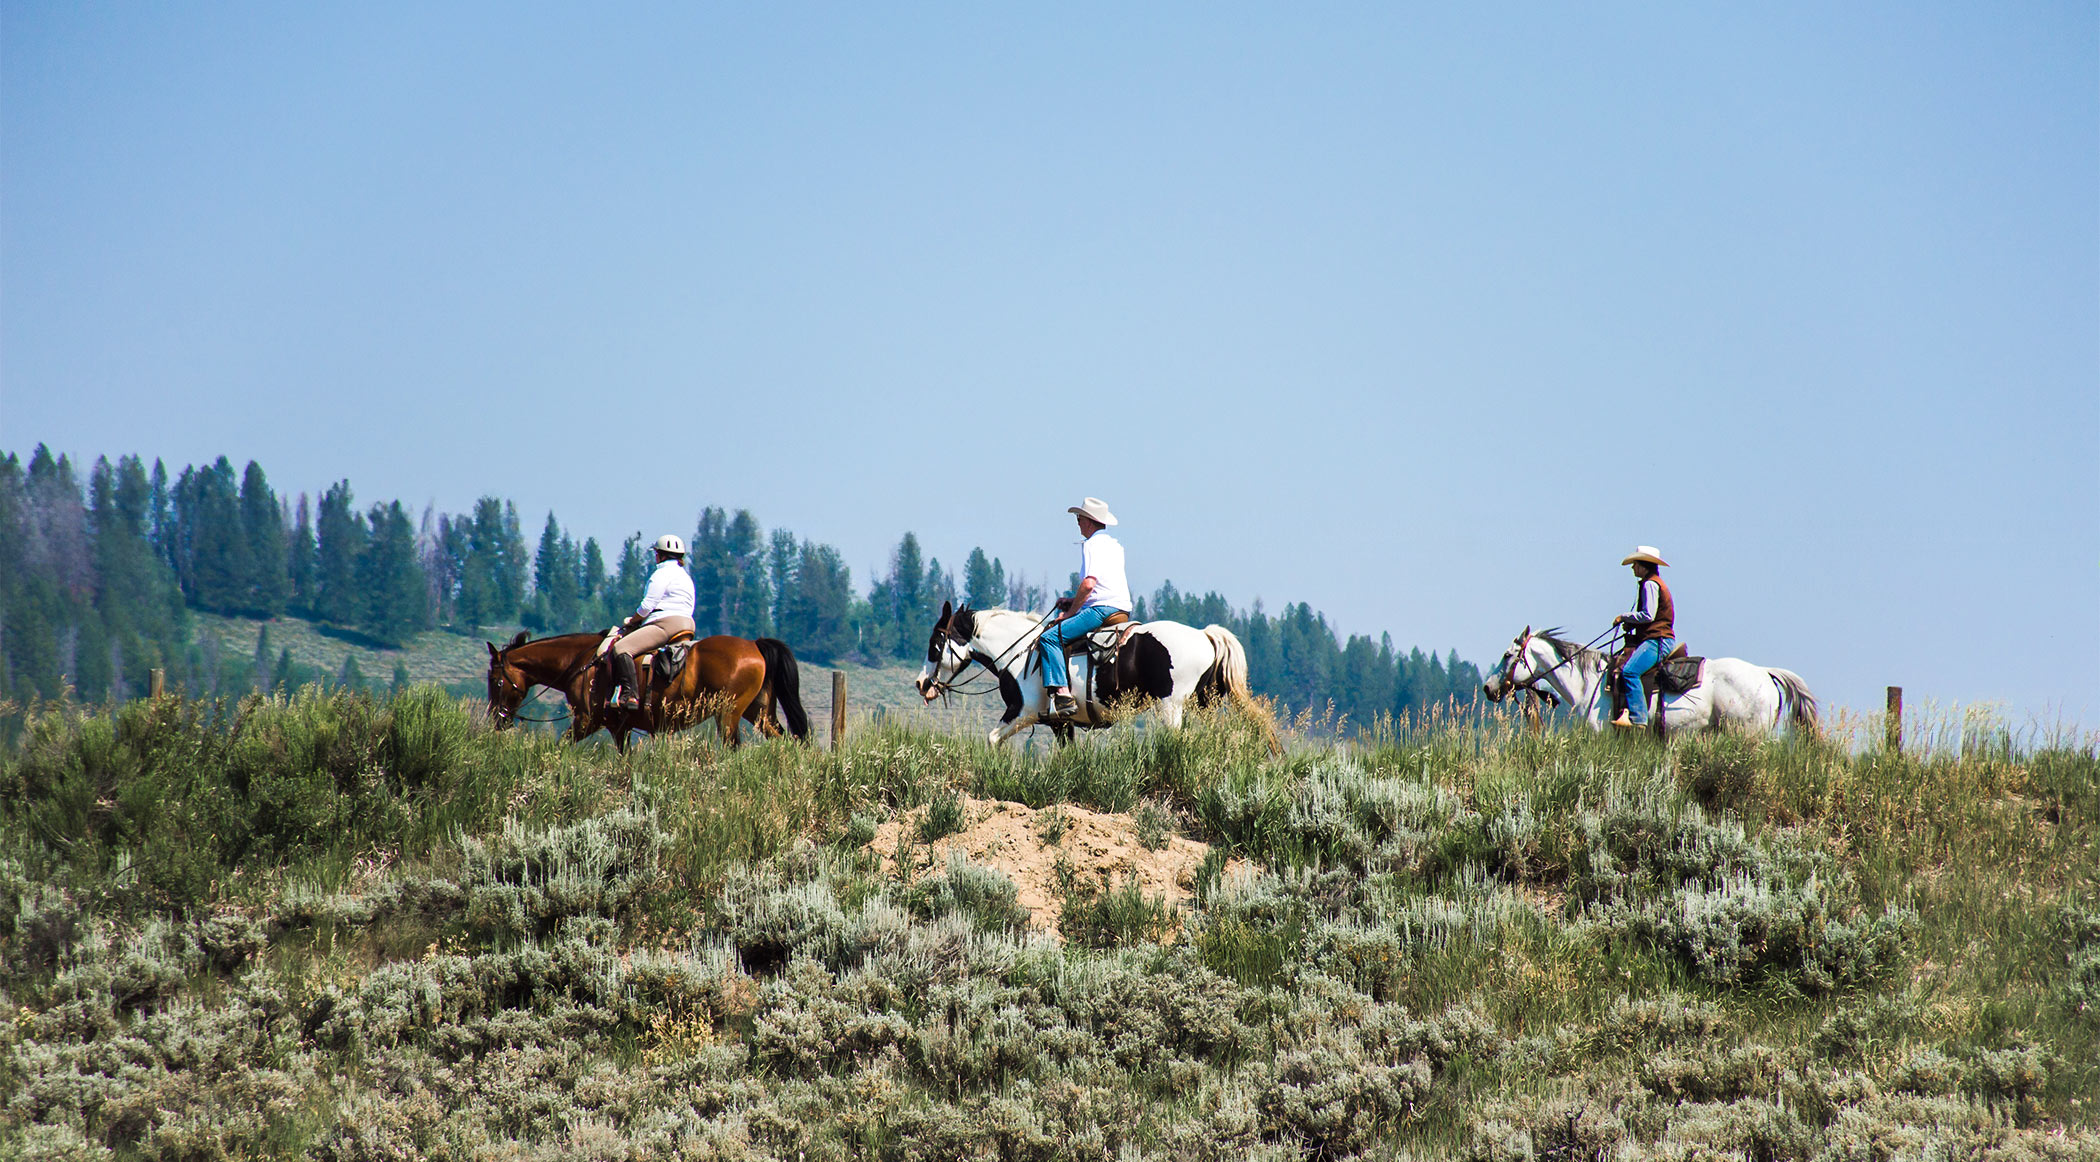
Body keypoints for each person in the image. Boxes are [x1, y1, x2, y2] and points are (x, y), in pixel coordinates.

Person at [1039, 497, 1132, 718]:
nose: (1078, 523)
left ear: (1090, 521)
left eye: (1079, 518)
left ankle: (1062, 693)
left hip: (1101, 610)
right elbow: (1103, 586)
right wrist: (1073, 601)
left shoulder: (1091, 545)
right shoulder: (1116, 545)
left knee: (1049, 638)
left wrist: (1069, 614)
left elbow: (1089, 584)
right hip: (1121, 608)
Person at [609, 534, 697, 710]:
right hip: (687, 623)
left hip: (665, 624)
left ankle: (630, 695)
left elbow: (647, 606)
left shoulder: (661, 574)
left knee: (621, 649)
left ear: (660, 555)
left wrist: (633, 620)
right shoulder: (685, 576)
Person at [1610, 546, 1676, 727]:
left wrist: (1624, 616)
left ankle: (1638, 718)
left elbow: (1648, 615)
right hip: (1657, 638)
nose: (1633, 568)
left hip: (1658, 640)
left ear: (1643, 565)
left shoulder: (1650, 584)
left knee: (1629, 671)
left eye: (1635, 564)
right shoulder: (1653, 582)